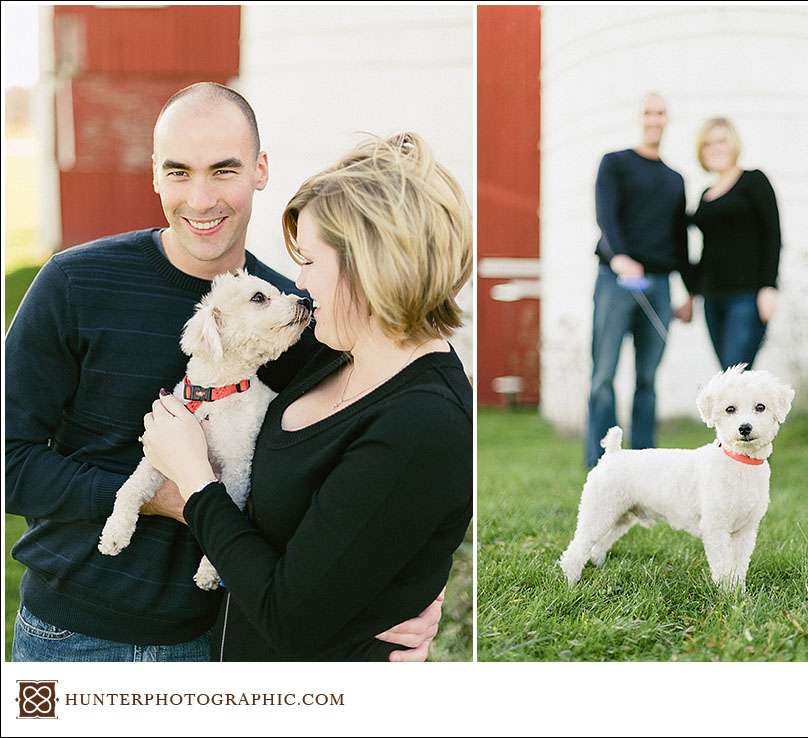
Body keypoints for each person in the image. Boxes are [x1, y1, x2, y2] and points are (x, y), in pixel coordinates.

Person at [6, 83, 445, 662]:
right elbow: (9, 461)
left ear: (260, 170)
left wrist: (416, 589)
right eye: (179, 172)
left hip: (225, 638)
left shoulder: (298, 315)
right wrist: (158, 494)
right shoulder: (74, 284)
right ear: (155, 175)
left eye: (224, 171)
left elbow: (383, 445)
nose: (201, 199)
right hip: (75, 634)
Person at [139, 132, 472, 661]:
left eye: (311, 262)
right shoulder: (331, 352)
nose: (299, 284)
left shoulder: (425, 422)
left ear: (371, 267)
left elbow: (287, 616)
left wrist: (195, 477)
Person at [587, 92, 698, 469]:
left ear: (667, 120)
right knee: (604, 374)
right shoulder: (614, 163)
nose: (654, 119)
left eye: (661, 113)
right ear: (639, 118)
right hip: (616, 281)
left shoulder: (675, 179)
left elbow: (680, 239)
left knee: (647, 377)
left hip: (661, 285)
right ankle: (601, 460)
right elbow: (606, 214)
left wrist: (691, 292)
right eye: (648, 112)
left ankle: (646, 459)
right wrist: (619, 257)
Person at [676, 117, 782, 369]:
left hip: (746, 297)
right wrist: (691, 294)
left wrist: (769, 286)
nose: (715, 148)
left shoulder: (754, 181)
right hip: (712, 298)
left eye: (721, 141)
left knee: (734, 376)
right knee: (729, 376)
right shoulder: (705, 196)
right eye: (707, 144)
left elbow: (773, 236)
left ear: (733, 143)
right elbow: (705, 251)